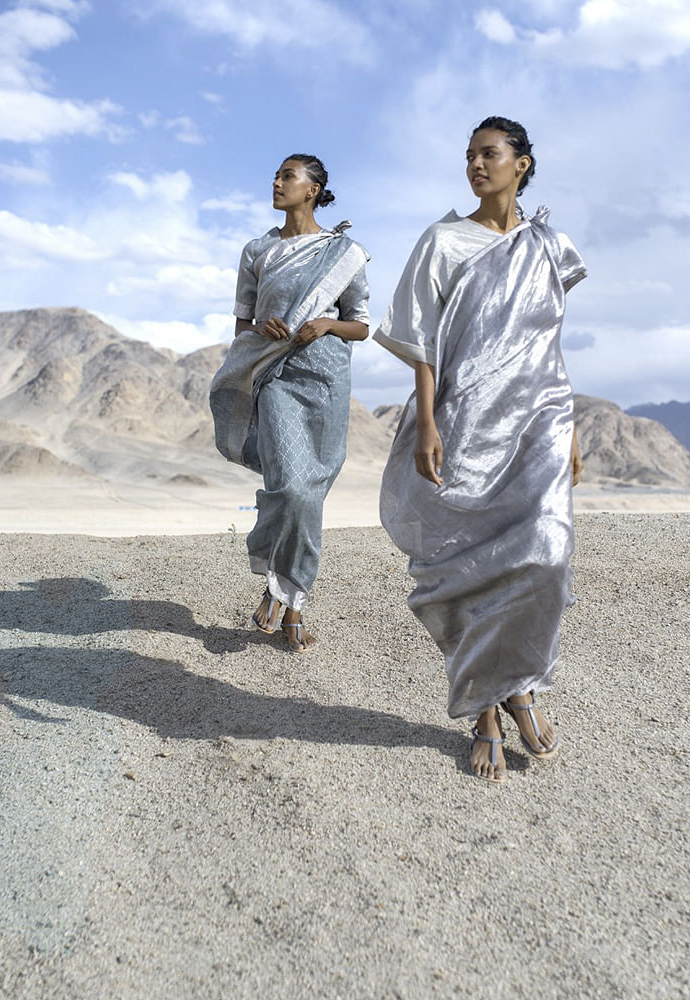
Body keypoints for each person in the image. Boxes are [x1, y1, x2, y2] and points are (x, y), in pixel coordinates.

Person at [374, 116, 586, 782]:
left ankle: (519, 683)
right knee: (469, 570)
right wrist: (428, 424)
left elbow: (549, 342)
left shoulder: (550, 246)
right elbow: (424, 343)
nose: (476, 164)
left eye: (489, 154)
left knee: (545, 555)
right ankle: (490, 711)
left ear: (521, 164)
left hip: (540, 419)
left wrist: (573, 421)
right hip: (465, 420)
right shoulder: (443, 241)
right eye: (469, 155)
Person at [210, 154, 370, 652]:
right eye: (276, 175)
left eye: (287, 176)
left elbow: (361, 325)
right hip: (274, 374)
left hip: (325, 378)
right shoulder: (257, 250)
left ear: (314, 189)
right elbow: (241, 324)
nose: (276, 182)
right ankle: (285, 589)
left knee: (310, 489)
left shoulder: (344, 253)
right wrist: (261, 326)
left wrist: (325, 324)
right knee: (292, 487)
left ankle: (290, 598)